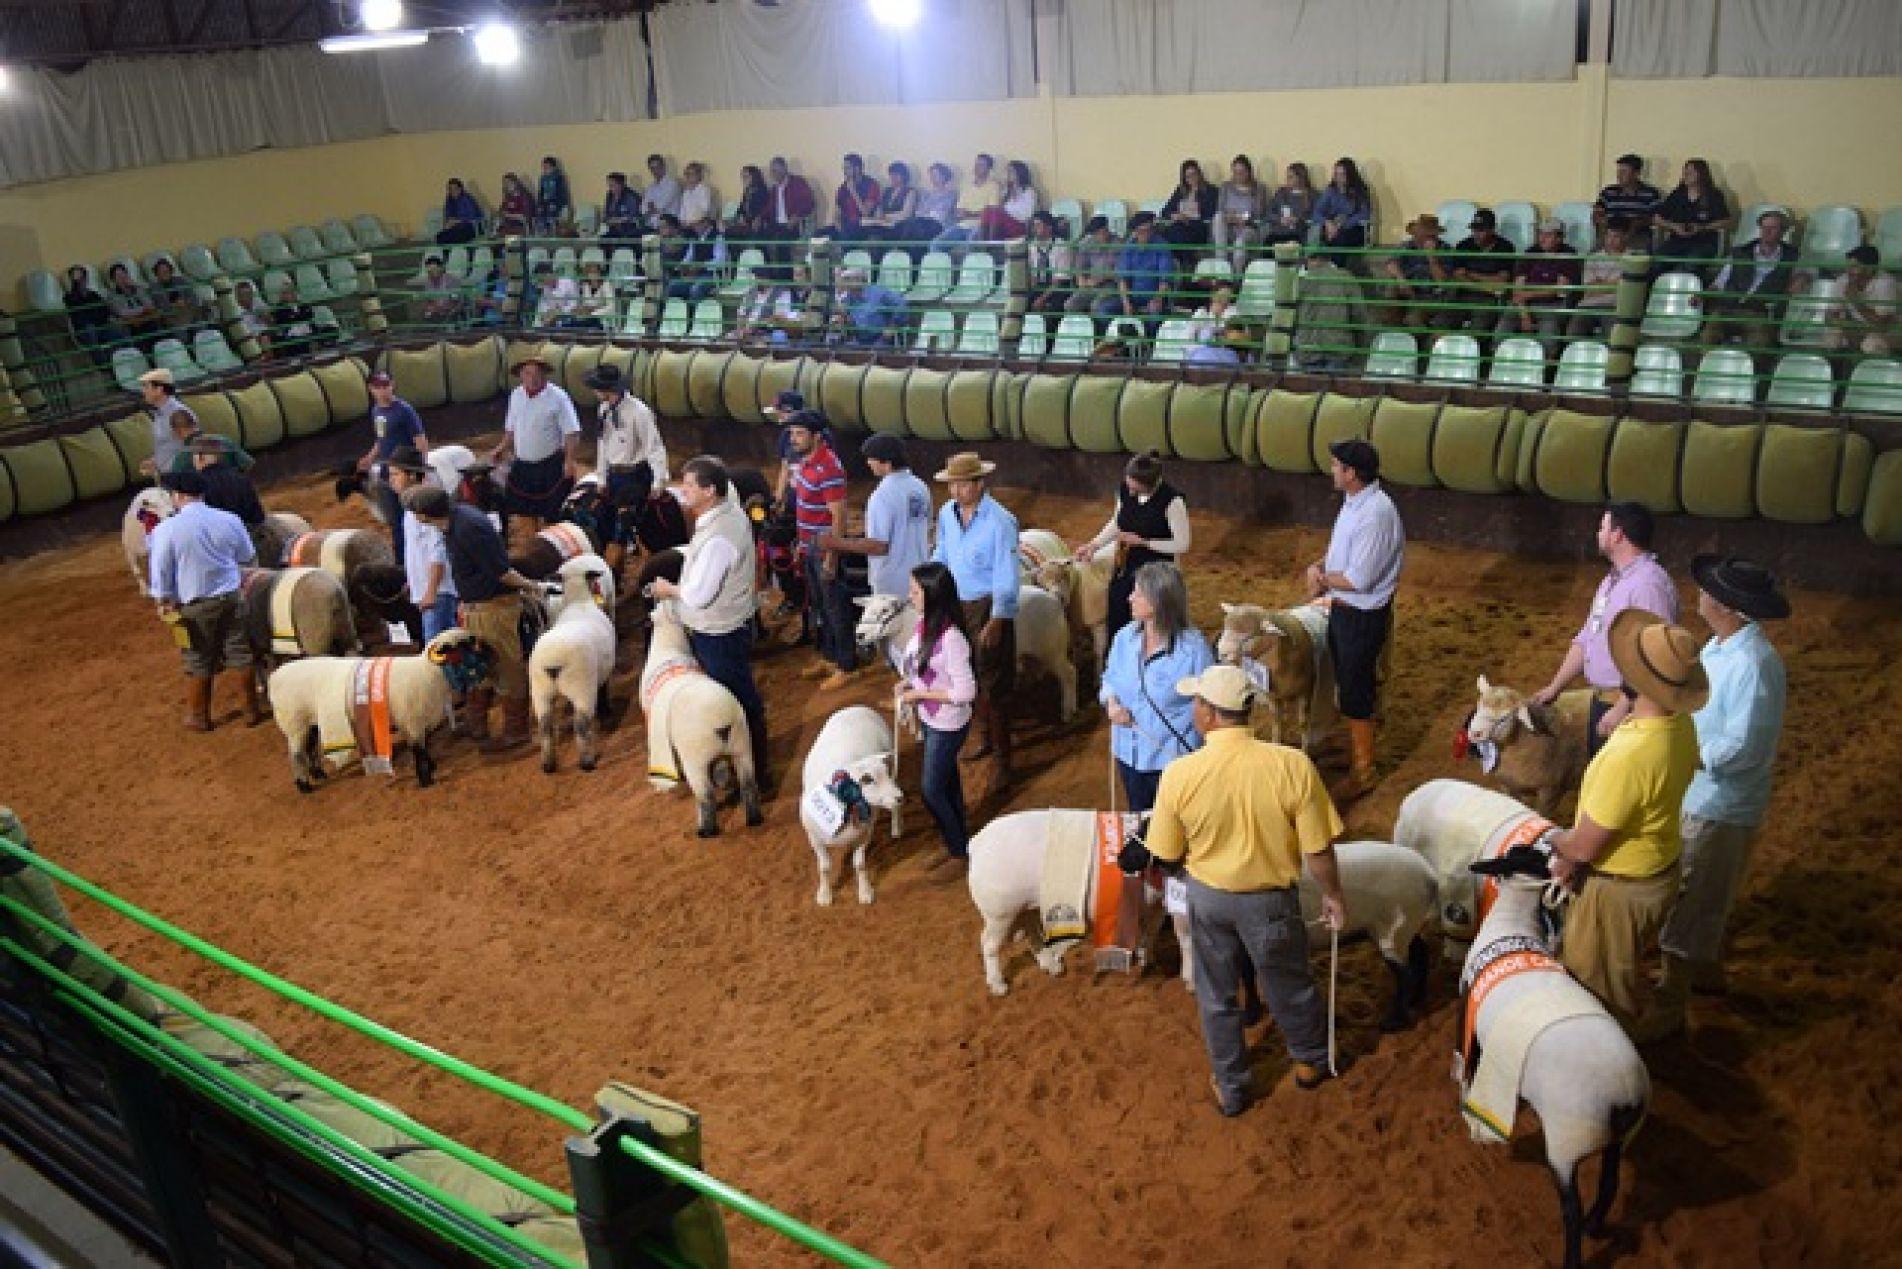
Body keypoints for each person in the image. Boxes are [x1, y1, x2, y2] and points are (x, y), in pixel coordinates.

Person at [1122, 664, 1349, 1116]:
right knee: (1290, 982)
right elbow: (1318, 848)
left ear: (1208, 713)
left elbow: (1166, 850)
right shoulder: (1292, 764)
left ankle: (1232, 1085)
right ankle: (1309, 1061)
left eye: (1196, 702)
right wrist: (1334, 895)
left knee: (1216, 994)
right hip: (1270, 901)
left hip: (1208, 897)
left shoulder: (1179, 774)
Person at [1640, 556, 1789, 1037]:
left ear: (1724, 605)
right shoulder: (1723, 649)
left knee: (1693, 895)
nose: (1698, 595)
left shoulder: (1753, 665)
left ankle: (1670, 1004)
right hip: (1701, 795)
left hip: (1719, 803)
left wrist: (1686, 753)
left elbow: (1744, 746)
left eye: (1706, 590)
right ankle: (1704, 975)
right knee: (1696, 889)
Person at [1546, 610, 1706, 1034]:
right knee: (1619, 970)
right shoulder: (1681, 726)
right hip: (1656, 869)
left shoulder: (1631, 756)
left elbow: (1583, 847)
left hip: (1618, 888)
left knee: (1599, 991)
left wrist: (1555, 839)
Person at [645, 456, 773, 794]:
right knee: (731, 699)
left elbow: (699, 596)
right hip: (724, 625)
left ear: (710, 490)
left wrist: (667, 589)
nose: (682, 491)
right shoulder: (726, 512)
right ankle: (744, 770)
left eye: (689, 486)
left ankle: (757, 777)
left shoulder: (719, 536)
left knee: (737, 701)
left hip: (719, 630)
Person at [1530, 501, 1680, 756]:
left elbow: (1654, 657)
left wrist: (1622, 707)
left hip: (1630, 710)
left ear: (1618, 534)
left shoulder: (1647, 586)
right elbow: (1587, 637)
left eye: (1602, 527)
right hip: (1603, 703)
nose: (1597, 534)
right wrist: (1555, 687)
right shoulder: (1612, 581)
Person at [404, 485, 542, 751]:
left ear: (424, 515)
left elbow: (501, 572)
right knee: (480, 663)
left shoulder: (469, 529)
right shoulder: (455, 522)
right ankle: (477, 723)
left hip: (494, 608)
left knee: (507, 665)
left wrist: (530, 586)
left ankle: (517, 731)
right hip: (477, 607)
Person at [1305, 439, 1404, 803]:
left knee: (1356, 688)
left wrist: (1321, 578)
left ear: (1352, 473)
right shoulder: (1356, 504)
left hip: (1361, 614)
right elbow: (1343, 557)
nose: (1331, 470)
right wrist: (1322, 567)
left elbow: (1360, 578)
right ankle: (1352, 748)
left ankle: (1364, 770)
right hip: (1346, 608)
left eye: (1336, 465)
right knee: (1347, 682)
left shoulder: (1375, 514)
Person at [147, 467, 262, 731]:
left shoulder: (167, 529)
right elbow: (247, 557)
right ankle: (250, 709)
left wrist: (163, 599)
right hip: (231, 597)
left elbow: (161, 570)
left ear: (177, 496)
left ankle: (198, 716)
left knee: (198, 658)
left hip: (195, 605)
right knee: (240, 652)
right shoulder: (229, 519)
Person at [931, 452, 1019, 787]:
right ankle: (985, 738)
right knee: (966, 674)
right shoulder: (946, 515)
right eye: (951, 484)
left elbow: (1007, 573)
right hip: (956, 603)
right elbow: (942, 551)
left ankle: (1003, 761)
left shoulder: (1000, 522)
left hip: (986, 606)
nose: (955, 491)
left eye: (962, 484)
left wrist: (998, 618)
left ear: (979, 484)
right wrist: (931, 578)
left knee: (994, 683)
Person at [1098, 561, 1212, 812]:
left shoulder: (1194, 649)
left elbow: (1209, 705)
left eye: (1138, 593)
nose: (1129, 598)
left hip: (1173, 762)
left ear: (1158, 600)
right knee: (1141, 825)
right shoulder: (1124, 638)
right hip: (1128, 755)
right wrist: (1112, 703)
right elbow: (1109, 678)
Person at [899, 562, 980, 882]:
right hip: (934, 719)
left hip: (947, 724)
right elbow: (918, 666)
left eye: (916, 591)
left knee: (931, 790)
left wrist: (921, 694)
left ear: (933, 595)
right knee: (947, 783)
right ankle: (957, 842)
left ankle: (958, 850)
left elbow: (965, 691)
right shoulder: (925, 627)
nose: (911, 596)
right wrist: (908, 684)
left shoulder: (952, 639)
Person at [1073, 450, 1192, 641]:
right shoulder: (1124, 491)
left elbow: (1182, 544)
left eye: (1135, 488)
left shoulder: (1172, 501)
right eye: (1129, 484)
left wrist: (1145, 542)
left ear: (1150, 485)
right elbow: (1118, 522)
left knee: (1152, 617)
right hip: (1128, 564)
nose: (1130, 491)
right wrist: (1094, 544)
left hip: (1158, 569)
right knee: (1119, 607)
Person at [815, 433, 932, 606]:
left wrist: (834, 543)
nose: (868, 463)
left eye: (871, 458)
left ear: (886, 462)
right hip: (920, 578)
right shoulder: (920, 487)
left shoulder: (883, 495)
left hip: (891, 586)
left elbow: (878, 546)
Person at [783, 411, 854, 688]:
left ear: (816, 436)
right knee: (822, 606)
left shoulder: (830, 468)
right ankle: (830, 656)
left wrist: (832, 556)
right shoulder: (806, 463)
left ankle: (846, 665)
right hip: (809, 547)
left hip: (825, 549)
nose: (794, 439)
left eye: (799, 434)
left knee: (836, 608)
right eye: (792, 434)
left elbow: (839, 516)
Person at [583, 362, 668, 577]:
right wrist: (602, 477)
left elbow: (654, 446)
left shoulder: (639, 412)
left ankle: (627, 571)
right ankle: (615, 573)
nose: (594, 391)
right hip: (614, 475)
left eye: (596, 387)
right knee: (604, 521)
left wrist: (658, 481)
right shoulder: (603, 410)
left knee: (625, 525)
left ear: (607, 389)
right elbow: (602, 445)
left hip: (635, 476)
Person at [491, 354, 581, 534]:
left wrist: (569, 461)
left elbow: (572, 432)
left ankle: (551, 552)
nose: (532, 378)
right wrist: (501, 447)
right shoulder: (516, 395)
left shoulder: (558, 397)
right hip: (523, 465)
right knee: (524, 515)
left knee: (553, 516)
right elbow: (511, 429)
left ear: (545, 375)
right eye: (527, 373)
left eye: (537, 373)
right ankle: (531, 548)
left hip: (551, 465)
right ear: (521, 375)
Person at [381, 447, 456, 640]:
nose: (391, 480)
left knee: (436, 650)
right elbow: (417, 551)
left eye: (396, 474)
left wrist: (430, 591)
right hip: (429, 591)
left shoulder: (425, 505)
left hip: (437, 593)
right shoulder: (410, 508)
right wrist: (413, 582)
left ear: (413, 475)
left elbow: (438, 553)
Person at [1705, 209, 1806, 349]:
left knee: (1757, 344)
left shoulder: (1792, 256)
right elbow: (1719, 282)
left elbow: (1811, 270)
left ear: (1783, 232)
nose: (1766, 231)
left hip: (1759, 313)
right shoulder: (1741, 252)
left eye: (1772, 228)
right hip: (1728, 309)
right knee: (1708, 337)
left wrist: (1803, 277)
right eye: (1764, 227)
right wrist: (1701, 295)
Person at [356, 369, 429, 560]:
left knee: (413, 516)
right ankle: (402, 558)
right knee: (396, 520)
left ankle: (418, 555)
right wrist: (370, 457)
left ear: (392, 385)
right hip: (388, 471)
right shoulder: (376, 411)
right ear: (371, 389)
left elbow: (420, 440)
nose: (384, 390)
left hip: (405, 471)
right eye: (379, 387)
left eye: (386, 385)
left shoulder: (404, 410)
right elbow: (381, 439)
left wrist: (421, 471)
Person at [1497, 218, 1582, 349]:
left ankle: (1546, 366)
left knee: (1548, 337)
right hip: (1523, 305)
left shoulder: (1568, 255)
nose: (1542, 238)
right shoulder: (1531, 252)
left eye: (1548, 235)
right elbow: (1518, 289)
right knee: (1501, 331)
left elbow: (1560, 291)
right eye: (1540, 233)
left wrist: (1530, 294)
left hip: (1552, 305)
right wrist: (1525, 316)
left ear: (1560, 238)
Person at [1651, 158, 1731, 270]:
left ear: (1702, 174)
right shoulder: (1678, 194)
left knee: (1690, 265)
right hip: (1677, 240)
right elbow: (1657, 218)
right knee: (1656, 262)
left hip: (1703, 242)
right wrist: (1674, 227)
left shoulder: (1713, 195)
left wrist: (1703, 228)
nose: (1685, 175)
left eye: (1690, 172)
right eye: (1684, 171)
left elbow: (1726, 221)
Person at [1095, 213, 1172, 327]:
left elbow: (1165, 279)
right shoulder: (1129, 247)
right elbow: (1122, 279)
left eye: (1149, 230)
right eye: (1141, 231)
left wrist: (1157, 298)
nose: (1146, 234)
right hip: (1132, 296)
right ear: (1135, 232)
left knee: (1154, 313)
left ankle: (1149, 343)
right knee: (1103, 309)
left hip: (1154, 295)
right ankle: (1116, 340)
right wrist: (1126, 302)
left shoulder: (1161, 246)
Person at [1447, 208, 1516, 333]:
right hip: (1463, 296)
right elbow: (1458, 277)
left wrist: (1470, 274)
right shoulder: (1463, 245)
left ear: (1492, 229)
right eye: (1474, 229)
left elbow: (1502, 281)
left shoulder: (1505, 246)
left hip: (1489, 300)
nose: (1476, 233)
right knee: (1441, 326)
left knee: (1476, 331)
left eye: (1481, 230)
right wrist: (1487, 285)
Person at [1377, 214, 1451, 330]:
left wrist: (1432, 258)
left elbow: (1442, 281)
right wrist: (1401, 279)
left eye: (1428, 235)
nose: (1420, 237)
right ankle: (1391, 327)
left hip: (1429, 296)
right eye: (1420, 233)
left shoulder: (1445, 249)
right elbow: (1390, 262)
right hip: (1407, 288)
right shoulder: (1408, 245)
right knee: (1391, 289)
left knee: (1413, 322)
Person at [187, 434, 264, 544]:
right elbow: (258, 518)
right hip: (247, 542)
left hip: (217, 547)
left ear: (200, 457)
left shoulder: (195, 485)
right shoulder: (242, 478)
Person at [1566, 216, 1633, 339]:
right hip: (1588, 306)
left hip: (1614, 306)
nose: (1611, 240)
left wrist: (1600, 283)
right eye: (1608, 236)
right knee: (1572, 335)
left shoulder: (1634, 258)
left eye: (1616, 236)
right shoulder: (1593, 257)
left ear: (1626, 237)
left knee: (1613, 338)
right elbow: (1589, 289)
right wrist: (1614, 283)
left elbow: (1627, 286)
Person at [1830, 243, 1898, 356]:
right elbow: (1832, 313)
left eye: (1854, 267)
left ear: (1870, 269)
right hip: (1854, 327)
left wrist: (1856, 302)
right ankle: (1836, 372)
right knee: (1831, 338)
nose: (1849, 271)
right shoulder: (1843, 280)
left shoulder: (1885, 283)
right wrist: (1841, 324)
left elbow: (1882, 323)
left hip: (1886, 332)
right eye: (1848, 266)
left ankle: (1874, 372)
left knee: (1872, 344)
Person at [1210, 155, 1269, 273]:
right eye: (1235, 172)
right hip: (1229, 227)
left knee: (1239, 244)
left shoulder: (1259, 188)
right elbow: (1220, 209)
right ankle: (1222, 266)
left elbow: (1259, 214)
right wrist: (1229, 216)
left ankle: (1237, 277)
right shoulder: (1225, 187)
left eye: (1241, 172)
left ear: (1249, 172)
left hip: (1248, 229)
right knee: (1218, 217)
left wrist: (1244, 219)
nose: (1238, 176)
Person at [933, 153, 1003, 250]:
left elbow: (991, 212)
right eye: (976, 164)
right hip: (962, 225)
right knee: (936, 244)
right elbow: (959, 212)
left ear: (989, 169)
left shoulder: (993, 186)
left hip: (980, 225)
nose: (977, 167)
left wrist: (969, 214)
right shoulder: (967, 186)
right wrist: (967, 214)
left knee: (971, 242)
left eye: (981, 165)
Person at [138, 367, 198, 476]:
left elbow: (192, 447)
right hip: (168, 476)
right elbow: (167, 445)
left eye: (146, 387)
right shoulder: (159, 413)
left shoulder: (180, 414)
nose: (143, 391)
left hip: (181, 477)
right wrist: (155, 461)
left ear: (159, 389)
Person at [1313, 157, 1372, 265]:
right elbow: (1317, 212)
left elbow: (1364, 214)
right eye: (1336, 174)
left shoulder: (1360, 190)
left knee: (1341, 236)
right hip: (1332, 228)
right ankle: (1324, 260)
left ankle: (1333, 263)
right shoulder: (1330, 191)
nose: (1338, 178)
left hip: (1354, 229)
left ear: (1350, 175)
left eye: (1342, 174)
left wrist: (1342, 224)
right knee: (1321, 232)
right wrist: (1327, 223)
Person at [829, 267, 907, 348]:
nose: (843, 283)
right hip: (859, 339)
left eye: (847, 279)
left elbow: (901, 304)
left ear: (859, 280)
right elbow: (850, 320)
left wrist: (892, 326)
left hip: (881, 339)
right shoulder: (847, 298)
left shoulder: (879, 293)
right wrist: (844, 318)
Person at [63, 266, 122, 366]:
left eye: (82, 277)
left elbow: (105, 311)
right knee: (90, 330)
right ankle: (102, 364)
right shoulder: (69, 298)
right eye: (76, 279)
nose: (80, 281)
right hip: (85, 331)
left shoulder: (94, 295)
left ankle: (121, 360)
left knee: (118, 334)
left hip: (101, 327)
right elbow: (78, 318)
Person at [1593, 154, 1662, 240]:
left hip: (1637, 235)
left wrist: (1635, 224)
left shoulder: (1650, 193)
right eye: (1618, 171)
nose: (1619, 175)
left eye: (1624, 172)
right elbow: (1597, 211)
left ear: (1636, 174)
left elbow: (1656, 218)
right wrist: (1600, 219)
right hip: (1610, 234)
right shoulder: (1608, 192)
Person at [1064, 216, 1120, 314]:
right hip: (1090, 284)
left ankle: (1097, 329)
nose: (1099, 236)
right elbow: (1080, 265)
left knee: (1096, 305)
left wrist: (1102, 278)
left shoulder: (1118, 244)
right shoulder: (1088, 243)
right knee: (1070, 304)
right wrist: (1081, 278)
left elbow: (1120, 272)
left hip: (1110, 285)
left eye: (1102, 232)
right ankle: (1081, 328)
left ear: (1107, 229)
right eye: (1096, 233)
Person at [1159, 158, 1218, 249]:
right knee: (1173, 232)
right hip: (1180, 227)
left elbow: (1211, 214)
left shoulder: (1210, 191)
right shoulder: (1180, 191)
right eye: (1188, 176)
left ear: (1199, 174)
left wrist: (1189, 219)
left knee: (1176, 234)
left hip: (1199, 228)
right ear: (1184, 178)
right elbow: (1165, 211)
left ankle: (1186, 260)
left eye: (1194, 174)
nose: (1191, 178)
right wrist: (1174, 215)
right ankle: (1187, 259)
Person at [765, 156, 817, 255]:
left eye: (775, 170)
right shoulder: (774, 189)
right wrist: (759, 218)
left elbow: (809, 202)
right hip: (776, 224)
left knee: (782, 240)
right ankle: (767, 270)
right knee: (759, 236)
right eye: (772, 171)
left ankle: (785, 270)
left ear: (784, 168)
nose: (773, 174)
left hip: (793, 225)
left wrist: (797, 216)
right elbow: (768, 208)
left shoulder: (798, 183)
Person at [1026, 212, 1075, 313]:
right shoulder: (1032, 246)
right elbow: (1032, 275)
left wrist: (1042, 299)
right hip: (1040, 285)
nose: (1035, 229)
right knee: (1022, 304)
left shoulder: (1062, 247)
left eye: (1038, 225)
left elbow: (1060, 280)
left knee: (1052, 308)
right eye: (1033, 226)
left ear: (1049, 227)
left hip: (1059, 288)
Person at [907, 162, 960, 253]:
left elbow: (942, 214)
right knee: (909, 226)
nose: (932, 178)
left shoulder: (951, 194)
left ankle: (919, 261)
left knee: (919, 231)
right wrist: (927, 213)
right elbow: (918, 211)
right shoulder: (926, 194)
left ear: (944, 176)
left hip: (939, 224)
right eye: (931, 175)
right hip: (923, 222)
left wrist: (927, 213)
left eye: (935, 175)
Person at [978, 160, 1037, 242]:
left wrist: (1015, 198)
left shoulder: (1028, 191)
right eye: (1007, 171)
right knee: (987, 210)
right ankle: (984, 245)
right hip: (1004, 223)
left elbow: (1028, 214)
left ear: (1019, 173)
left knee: (995, 213)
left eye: (1011, 171)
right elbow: (1000, 209)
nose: (1008, 174)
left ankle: (993, 247)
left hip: (1019, 224)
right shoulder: (1007, 191)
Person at [861, 161, 919, 242]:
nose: (893, 177)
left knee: (877, 236)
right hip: (883, 224)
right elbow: (879, 208)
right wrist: (878, 216)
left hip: (899, 225)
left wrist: (887, 216)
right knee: (866, 229)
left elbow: (906, 214)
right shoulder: (887, 191)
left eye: (896, 175)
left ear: (904, 176)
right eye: (891, 175)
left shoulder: (911, 191)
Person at [105, 263, 160, 348]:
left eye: (124, 274)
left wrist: (135, 288)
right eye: (118, 276)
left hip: (147, 319)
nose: (122, 278)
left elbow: (150, 305)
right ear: (113, 280)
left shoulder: (139, 289)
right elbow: (123, 312)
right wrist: (143, 310)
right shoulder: (112, 296)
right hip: (131, 325)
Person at [1264, 162, 1317, 247]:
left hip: (1298, 234)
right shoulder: (1281, 193)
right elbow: (1268, 214)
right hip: (1278, 233)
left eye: (1291, 177)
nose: (1287, 180)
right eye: (1287, 177)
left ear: (1300, 178)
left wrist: (1298, 220)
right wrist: (1280, 219)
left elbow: (1315, 217)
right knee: (1269, 241)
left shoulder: (1312, 195)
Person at [834, 153, 881, 240]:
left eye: (847, 168)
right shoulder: (842, 188)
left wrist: (853, 191)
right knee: (819, 234)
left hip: (864, 225)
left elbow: (866, 212)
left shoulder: (871, 185)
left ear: (857, 168)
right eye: (843, 168)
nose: (844, 171)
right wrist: (839, 228)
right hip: (845, 225)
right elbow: (837, 214)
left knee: (851, 228)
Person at [149, 258, 201, 331]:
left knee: (200, 324)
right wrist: (173, 305)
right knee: (180, 331)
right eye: (161, 272)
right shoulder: (154, 288)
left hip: (188, 310)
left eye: (166, 271)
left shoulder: (181, 281)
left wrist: (185, 302)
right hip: (171, 316)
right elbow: (158, 307)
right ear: (156, 274)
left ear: (171, 271)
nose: (164, 274)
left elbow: (193, 297)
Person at [677, 162, 719, 240]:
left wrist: (692, 224)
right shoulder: (686, 192)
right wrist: (683, 223)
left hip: (700, 225)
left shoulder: (704, 190)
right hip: (687, 225)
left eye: (692, 174)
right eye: (687, 174)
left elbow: (705, 210)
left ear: (699, 175)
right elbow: (682, 211)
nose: (689, 176)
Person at [728, 164, 771, 238]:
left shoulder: (762, 190)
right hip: (747, 221)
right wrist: (737, 217)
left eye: (746, 176)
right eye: (742, 177)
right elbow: (742, 207)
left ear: (754, 177)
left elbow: (763, 210)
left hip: (758, 221)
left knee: (755, 230)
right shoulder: (747, 190)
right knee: (729, 230)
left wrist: (749, 220)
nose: (744, 179)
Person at [532, 262, 579, 328]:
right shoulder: (545, 288)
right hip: (550, 320)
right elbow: (542, 306)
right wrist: (547, 314)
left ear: (549, 274)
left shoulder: (569, 283)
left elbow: (574, 305)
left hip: (567, 320)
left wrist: (558, 312)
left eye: (542, 279)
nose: (542, 282)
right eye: (540, 280)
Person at [232, 280, 273, 355]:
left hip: (264, 334)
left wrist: (265, 316)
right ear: (237, 296)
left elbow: (271, 322)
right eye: (244, 294)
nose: (248, 297)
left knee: (265, 339)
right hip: (247, 338)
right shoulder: (234, 310)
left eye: (249, 294)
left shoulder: (258, 303)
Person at [418, 255, 463, 324]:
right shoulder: (427, 282)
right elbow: (428, 300)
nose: (432, 272)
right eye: (429, 270)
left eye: (434, 269)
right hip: (436, 310)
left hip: (451, 310)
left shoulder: (452, 280)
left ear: (441, 268)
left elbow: (455, 301)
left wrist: (441, 308)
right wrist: (429, 307)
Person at [438, 177, 483, 245]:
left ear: (460, 189)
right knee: (440, 237)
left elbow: (473, 217)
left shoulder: (467, 199)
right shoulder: (449, 200)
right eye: (450, 189)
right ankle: (448, 254)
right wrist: (447, 223)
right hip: (455, 228)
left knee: (454, 237)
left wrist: (457, 221)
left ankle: (459, 253)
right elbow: (448, 216)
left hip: (470, 227)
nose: (452, 191)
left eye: (455, 188)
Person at [642, 154, 682, 228]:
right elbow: (644, 209)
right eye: (652, 168)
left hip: (669, 225)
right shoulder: (650, 188)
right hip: (652, 225)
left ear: (663, 167)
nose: (655, 171)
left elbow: (660, 206)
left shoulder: (672, 185)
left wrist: (651, 208)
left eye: (657, 167)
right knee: (635, 236)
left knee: (648, 239)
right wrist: (651, 209)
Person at [573, 260, 616, 330]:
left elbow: (611, 307)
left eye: (594, 272)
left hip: (602, 320)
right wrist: (581, 309)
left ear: (599, 273)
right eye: (590, 273)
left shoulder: (606, 285)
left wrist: (593, 314)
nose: (592, 275)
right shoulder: (585, 285)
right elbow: (585, 304)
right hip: (587, 319)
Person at [534, 156, 572, 235]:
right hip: (545, 204)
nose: (544, 169)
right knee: (539, 214)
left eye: (547, 167)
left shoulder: (559, 178)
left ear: (553, 167)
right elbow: (540, 193)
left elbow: (562, 194)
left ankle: (553, 234)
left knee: (552, 214)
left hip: (556, 204)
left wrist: (557, 205)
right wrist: (539, 204)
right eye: (543, 167)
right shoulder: (542, 179)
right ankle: (542, 234)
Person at [602, 171, 642, 239]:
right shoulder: (609, 196)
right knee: (603, 240)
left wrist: (619, 220)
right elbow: (605, 216)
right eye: (609, 185)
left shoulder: (631, 196)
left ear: (621, 185)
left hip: (630, 231)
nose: (610, 188)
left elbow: (634, 216)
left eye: (612, 185)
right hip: (613, 230)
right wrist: (608, 220)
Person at [497, 172, 534, 237]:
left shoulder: (525, 197)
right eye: (505, 184)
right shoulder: (508, 197)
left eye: (509, 183)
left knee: (510, 243)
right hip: (508, 228)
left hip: (521, 229)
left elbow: (524, 218)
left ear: (516, 183)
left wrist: (508, 215)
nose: (507, 186)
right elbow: (501, 211)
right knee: (495, 243)